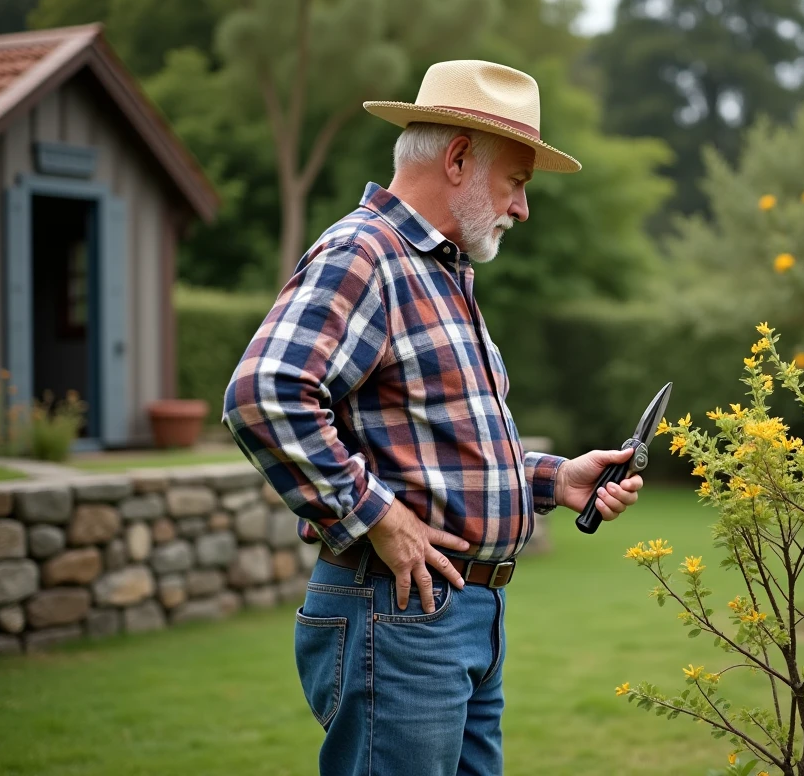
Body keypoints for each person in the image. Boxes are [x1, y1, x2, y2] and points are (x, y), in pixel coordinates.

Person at [222, 60, 645, 775]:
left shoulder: (438, 270)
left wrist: (554, 479)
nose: (521, 208)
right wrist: (381, 520)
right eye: (517, 181)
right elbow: (264, 395)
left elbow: (436, 441)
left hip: (460, 615)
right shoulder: (366, 254)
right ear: (457, 159)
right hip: (398, 614)